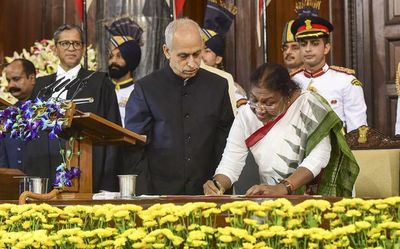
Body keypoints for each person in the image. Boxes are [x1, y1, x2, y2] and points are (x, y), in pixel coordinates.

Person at [203, 63, 359, 197]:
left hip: (315, 197)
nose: (259, 109)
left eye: (269, 103)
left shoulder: (308, 105)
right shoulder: (246, 115)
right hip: (272, 197)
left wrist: (284, 187)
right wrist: (218, 185)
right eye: (254, 100)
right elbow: (231, 161)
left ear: (288, 95)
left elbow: (319, 156)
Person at [125, 18, 234, 195]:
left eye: (197, 54)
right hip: (159, 195)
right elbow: (135, 150)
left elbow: (227, 143)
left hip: (208, 193)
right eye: (183, 56)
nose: (192, 63)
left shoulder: (218, 86)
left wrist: (220, 183)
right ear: (167, 51)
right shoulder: (146, 89)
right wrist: (144, 198)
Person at [28, 24, 121, 192]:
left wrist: (108, 187)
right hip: (44, 173)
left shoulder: (100, 83)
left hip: (88, 172)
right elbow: (33, 134)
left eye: (76, 43)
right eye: (65, 43)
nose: (71, 48)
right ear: (55, 48)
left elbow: (113, 135)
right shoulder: (41, 86)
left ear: (83, 48)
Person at [290, 2, 367, 133]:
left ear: (326, 48)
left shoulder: (346, 81)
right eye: (303, 44)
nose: (308, 49)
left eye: (314, 44)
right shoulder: (291, 81)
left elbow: (357, 131)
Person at [200, 0, 247, 113]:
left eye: (207, 51)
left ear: (218, 58)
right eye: (198, 51)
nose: (201, 56)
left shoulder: (230, 86)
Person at [106, 17, 143, 127]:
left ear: (131, 60)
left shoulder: (139, 93)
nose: (113, 61)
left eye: (119, 56)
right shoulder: (102, 90)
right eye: (111, 56)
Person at [0, 59, 36, 169]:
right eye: (8, 80)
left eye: (16, 79)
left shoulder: (47, 111)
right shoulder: (8, 113)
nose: (11, 85)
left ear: (32, 78)